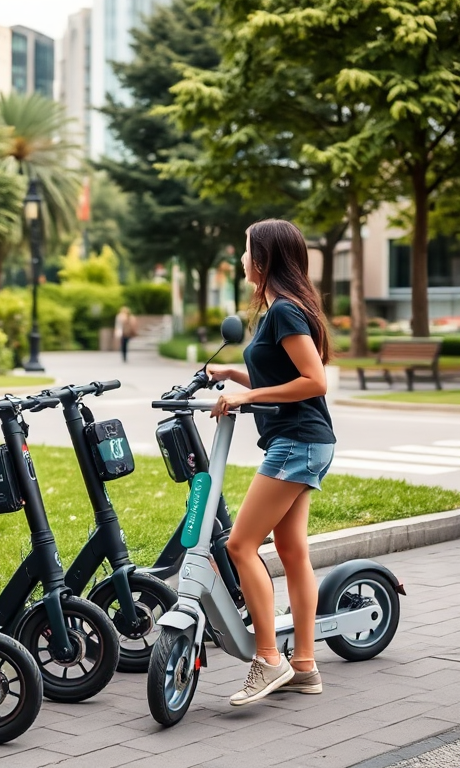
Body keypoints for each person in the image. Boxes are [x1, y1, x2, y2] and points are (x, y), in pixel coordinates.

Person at [207, 218, 335, 707]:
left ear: (263, 259)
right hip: (307, 440)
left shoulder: (284, 311)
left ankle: (268, 660)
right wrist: (232, 373)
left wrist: (248, 396)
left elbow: (314, 380)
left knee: (240, 545)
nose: (241, 260)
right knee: (293, 550)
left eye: (245, 251)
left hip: (297, 441)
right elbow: (278, 371)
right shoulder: (285, 310)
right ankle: (304, 666)